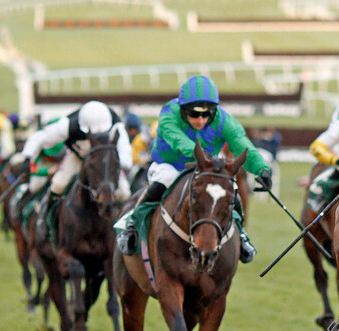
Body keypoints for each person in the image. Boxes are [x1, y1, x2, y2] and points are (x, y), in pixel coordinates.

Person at [116, 75, 273, 262]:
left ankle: (241, 234)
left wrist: (262, 169)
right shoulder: (169, 112)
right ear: (183, 110)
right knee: (162, 183)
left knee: (231, 191)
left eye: (206, 114)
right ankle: (132, 225)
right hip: (171, 164)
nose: (200, 120)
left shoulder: (224, 119)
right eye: (194, 114)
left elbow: (242, 144)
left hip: (205, 165)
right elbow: (177, 139)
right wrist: (200, 154)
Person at [11, 100, 132, 246]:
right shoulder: (67, 125)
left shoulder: (116, 124)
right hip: (77, 157)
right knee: (58, 185)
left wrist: (118, 164)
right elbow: (40, 137)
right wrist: (27, 157)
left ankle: (127, 232)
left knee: (124, 192)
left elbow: (126, 156)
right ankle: (45, 221)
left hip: (103, 160)